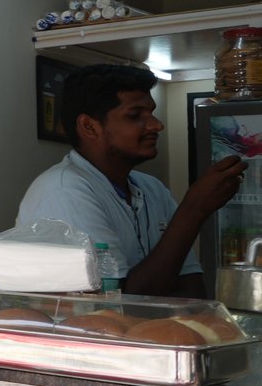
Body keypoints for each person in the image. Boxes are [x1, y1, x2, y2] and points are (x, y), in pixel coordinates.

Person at [16, 64, 245, 297]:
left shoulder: (152, 188)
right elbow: (116, 304)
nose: (156, 125)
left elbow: (190, 287)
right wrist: (194, 210)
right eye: (135, 115)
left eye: (151, 113)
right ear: (89, 127)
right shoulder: (65, 191)